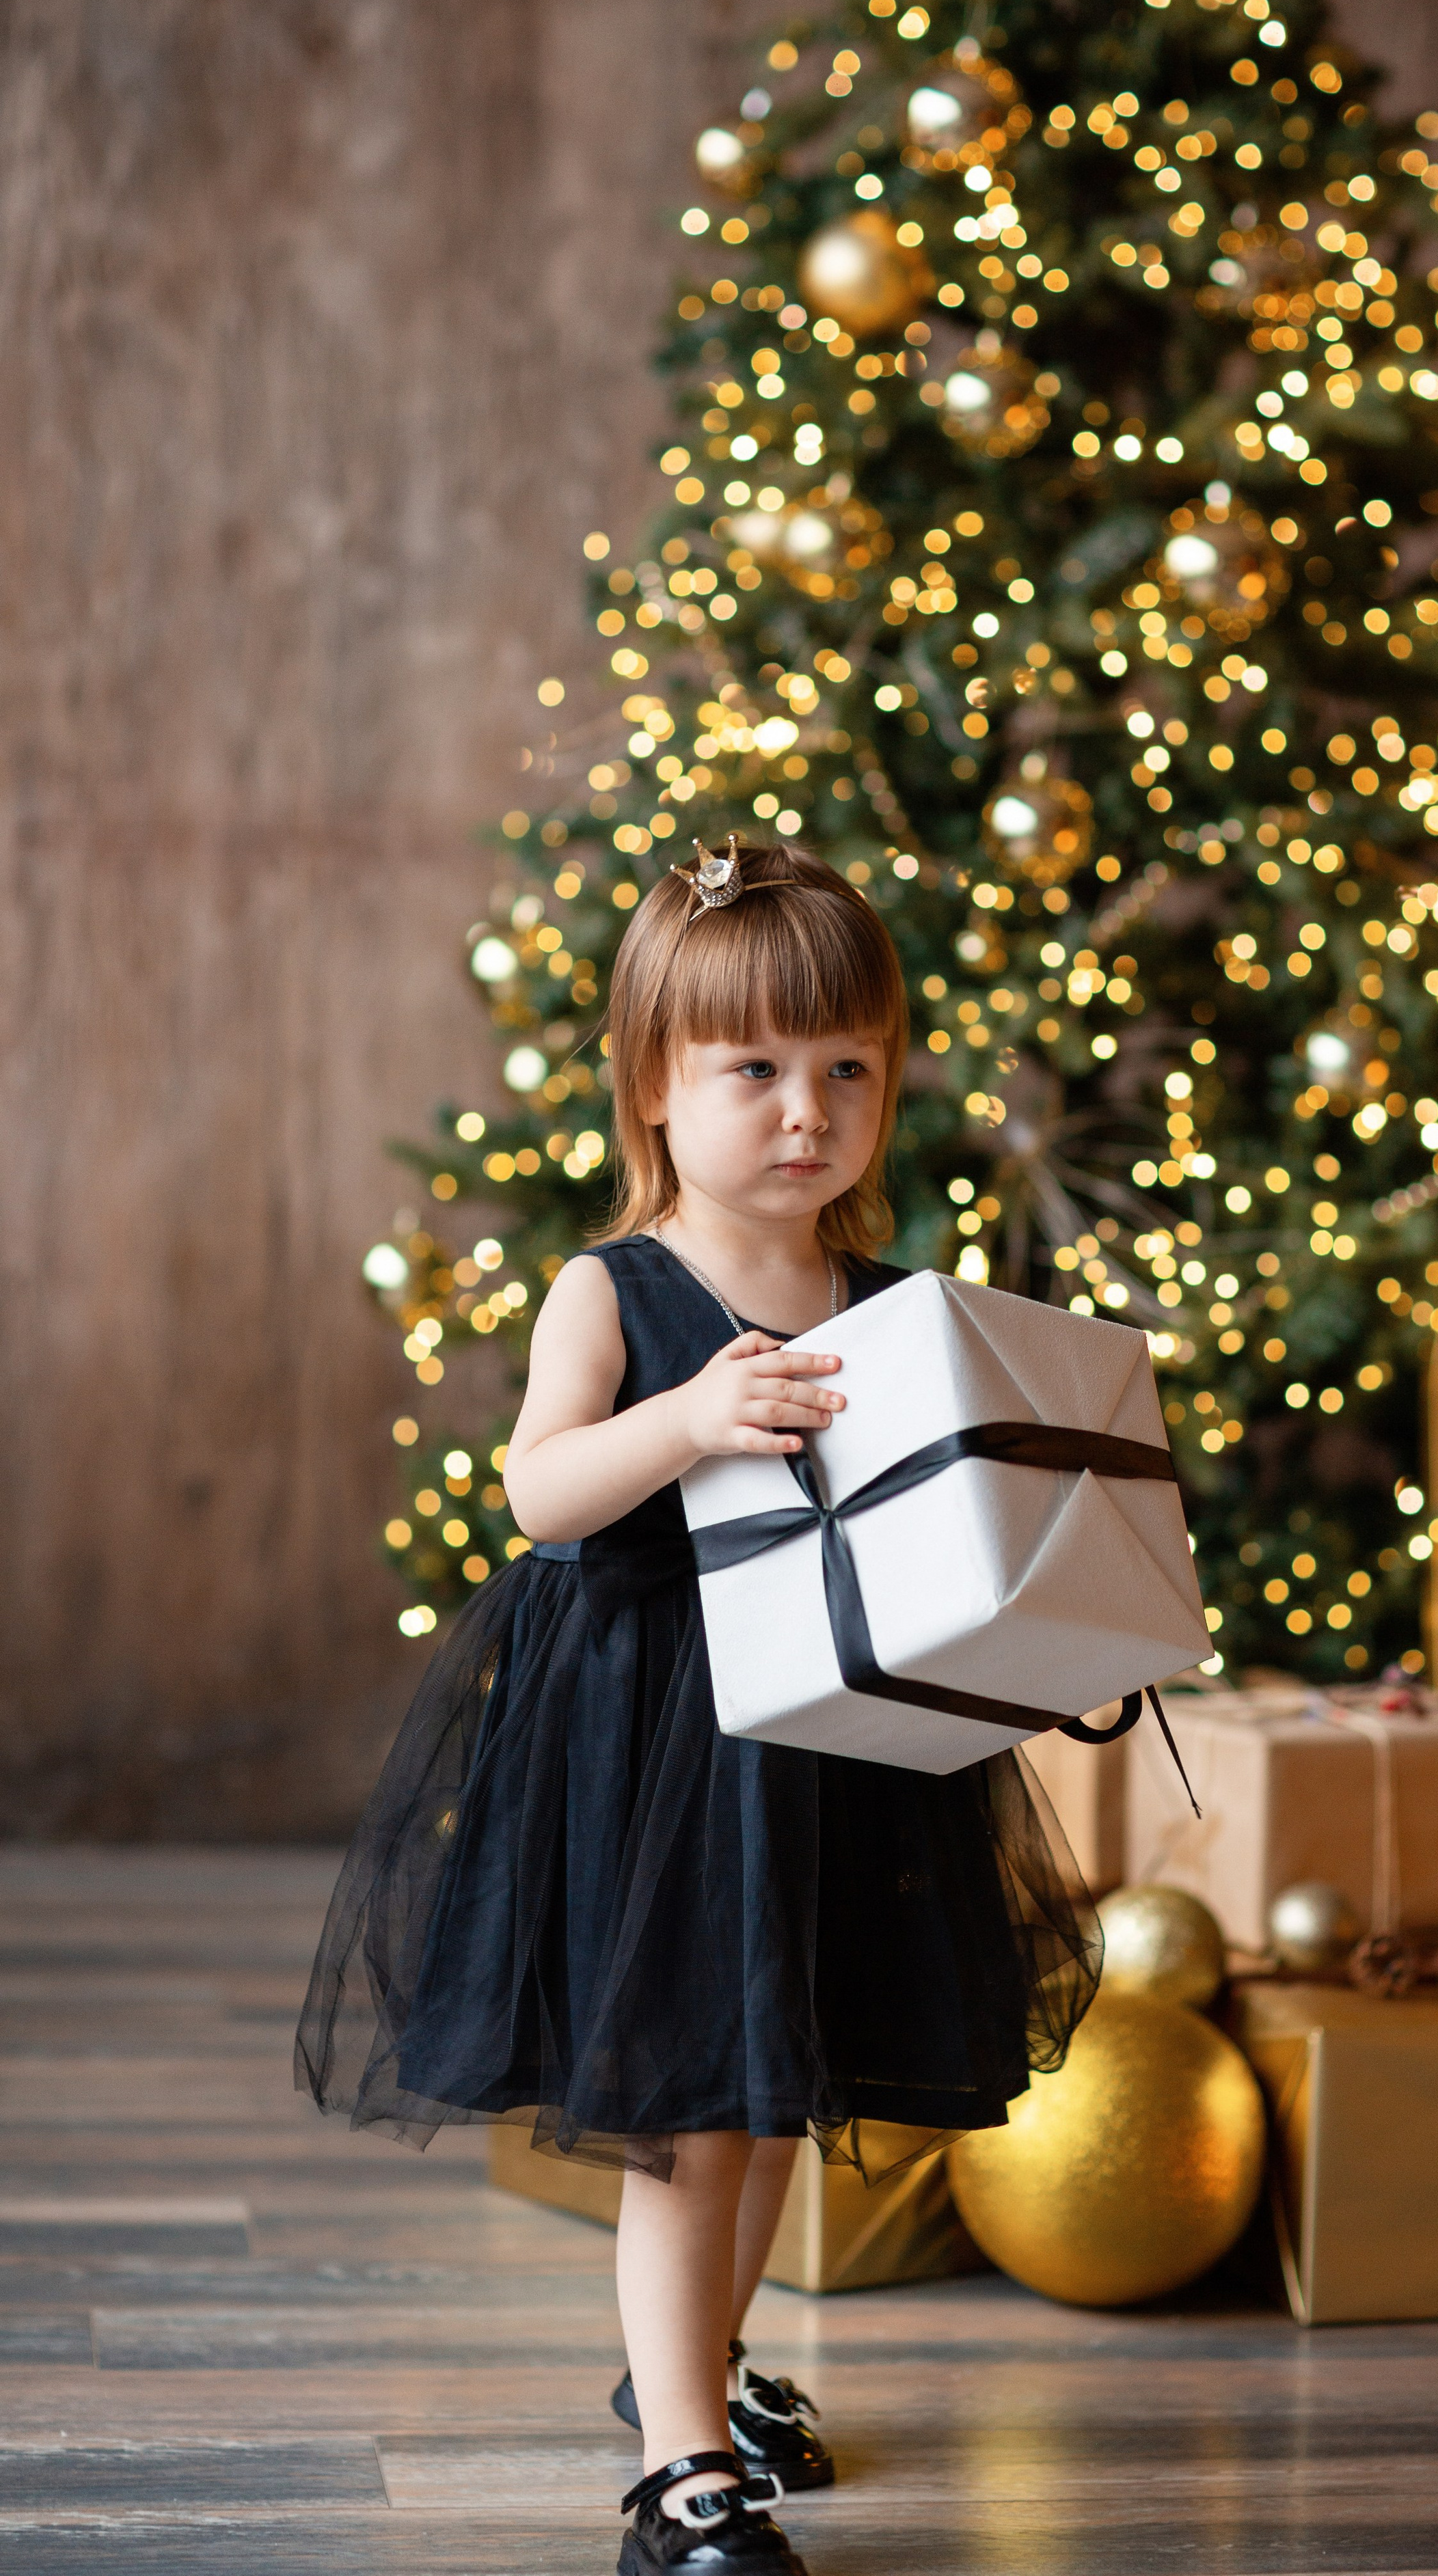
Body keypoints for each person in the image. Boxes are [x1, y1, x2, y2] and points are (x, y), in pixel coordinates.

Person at [297, 838, 1098, 2575]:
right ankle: (676, 2475)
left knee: (780, 2071)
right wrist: (685, 1422)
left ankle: (710, 2379)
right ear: (657, 1084)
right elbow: (538, 1492)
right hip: (660, 1745)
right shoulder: (621, 1290)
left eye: (846, 1071)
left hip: (832, 1746)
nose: (804, 1112)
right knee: (686, 2114)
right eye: (753, 1070)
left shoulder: (885, 1308)